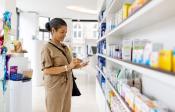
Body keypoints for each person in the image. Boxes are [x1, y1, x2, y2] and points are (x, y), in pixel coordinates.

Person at [41, 18, 88, 112]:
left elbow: (70, 65)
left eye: (66, 32)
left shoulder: (65, 47)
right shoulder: (47, 48)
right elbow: (46, 70)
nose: (64, 35)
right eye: (62, 32)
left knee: (66, 109)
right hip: (55, 87)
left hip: (67, 85)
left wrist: (80, 65)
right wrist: (68, 67)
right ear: (53, 30)